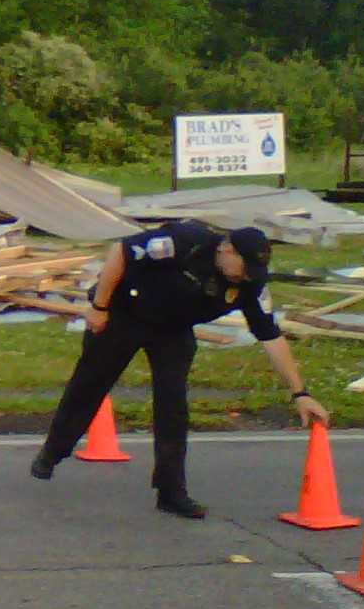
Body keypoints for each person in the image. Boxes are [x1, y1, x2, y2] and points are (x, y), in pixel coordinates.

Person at [30, 221, 330, 519]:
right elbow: (120, 252)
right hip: (125, 312)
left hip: (172, 329)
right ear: (226, 249)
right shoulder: (186, 242)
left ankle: (171, 491)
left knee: (173, 406)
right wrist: (99, 306)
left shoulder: (250, 286)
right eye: (245, 266)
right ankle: (53, 451)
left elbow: (271, 337)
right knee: (90, 385)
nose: (248, 276)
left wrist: (299, 393)